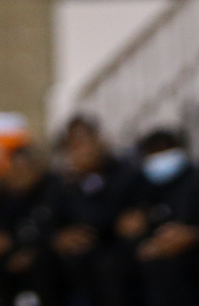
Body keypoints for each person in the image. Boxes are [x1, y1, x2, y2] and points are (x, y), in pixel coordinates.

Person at [49, 116, 137, 306]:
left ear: (99, 141)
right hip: (79, 256)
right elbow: (51, 218)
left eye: (86, 142)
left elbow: (114, 216)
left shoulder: (124, 171)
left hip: (115, 249)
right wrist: (60, 236)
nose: (83, 151)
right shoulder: (63, 183)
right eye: (75, 146)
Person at [113, 128, 199, 306]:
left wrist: (192, 235)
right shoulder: (141, 185)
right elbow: (128, 222)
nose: (160, 158)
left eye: (166, 150)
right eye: (154, 152)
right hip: (151, 254)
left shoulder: (194, 180)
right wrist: (136, 237)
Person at [0, 145, 63, 305]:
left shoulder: (55, 190)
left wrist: (30, 251)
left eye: (25, 168)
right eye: (15, 168)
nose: (20, 174)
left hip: (47, 257)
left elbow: (58, 231)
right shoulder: (4, 197)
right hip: (11, 257)